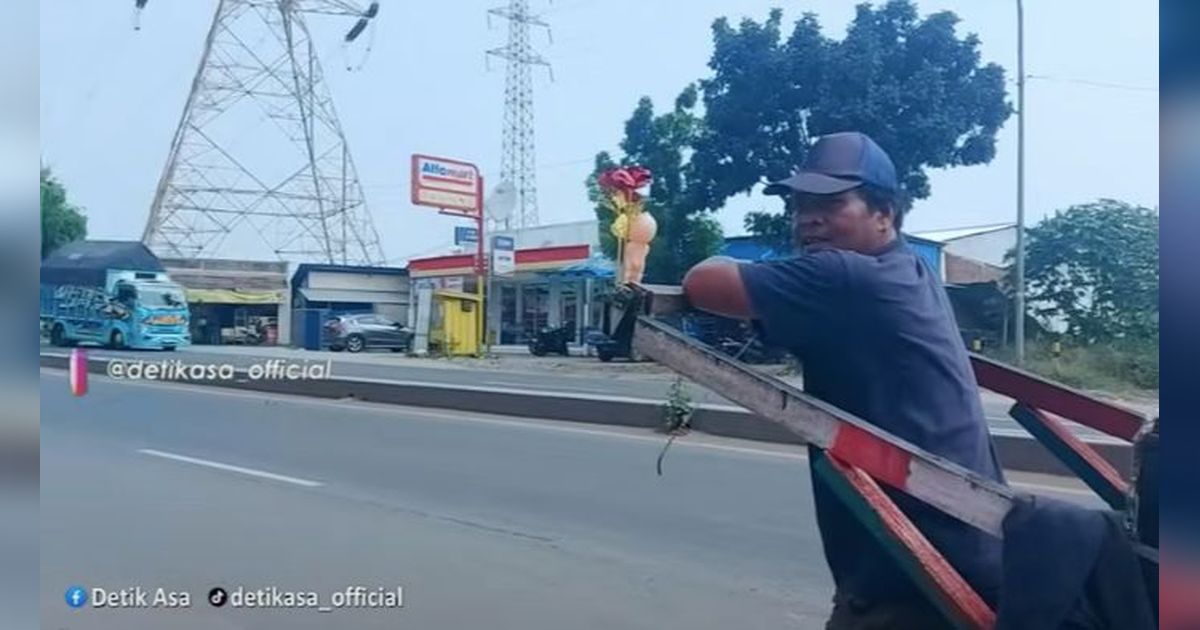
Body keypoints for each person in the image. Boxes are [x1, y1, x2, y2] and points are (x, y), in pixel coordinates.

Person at [682, 132, 1005, 629]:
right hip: (964, 546)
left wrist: (721, 259)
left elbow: (703, 283)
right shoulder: (909, 269)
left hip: (916, 575)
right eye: (801, 205)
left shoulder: (844, 277)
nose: (807, 218)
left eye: (831, 203)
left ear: (885, 213)